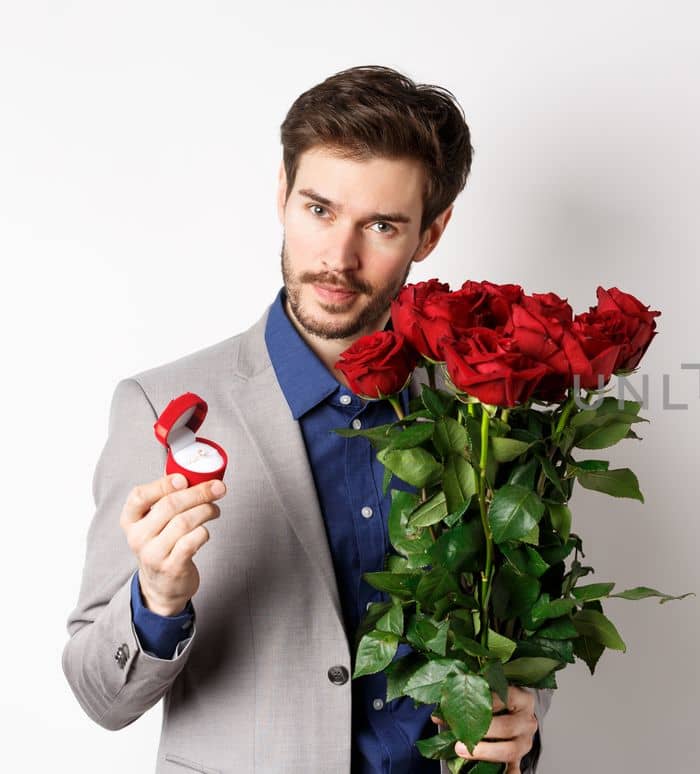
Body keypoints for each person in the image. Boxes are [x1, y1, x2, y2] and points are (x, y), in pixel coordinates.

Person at [61, 65, 551, 773]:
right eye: (319, 210)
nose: (338, 257)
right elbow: (99, 696)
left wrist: (519, 720)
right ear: (283, 196)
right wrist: (156, 599)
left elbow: (519, 626)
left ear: (431, 233)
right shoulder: (159, 406)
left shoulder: (482, 408)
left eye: (381, 226)